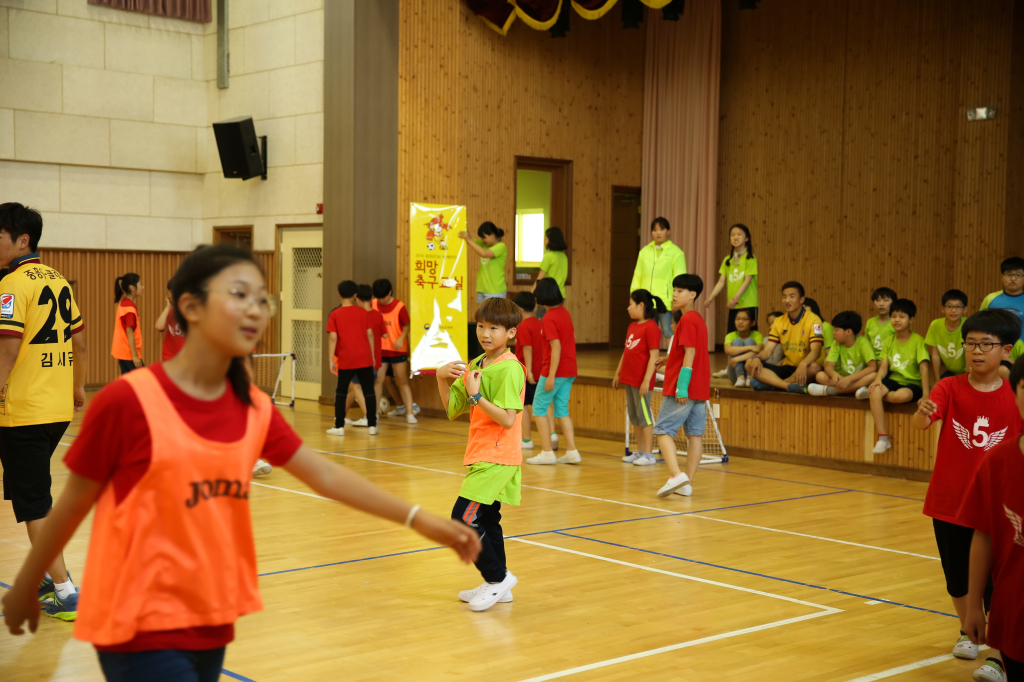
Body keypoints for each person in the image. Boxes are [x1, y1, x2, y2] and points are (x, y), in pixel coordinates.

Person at [1, 245, 481, 679]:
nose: (255, 310)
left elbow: (327, 475)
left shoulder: (251, 405)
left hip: (213, 617)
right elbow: (71, 504)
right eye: (239, 295)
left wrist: (421, 520)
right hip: (137, 619)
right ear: (188, 307)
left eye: (260, 300)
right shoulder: (128, 401)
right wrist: (28, 584)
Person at [911, 310, 1022, 682]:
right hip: (950, 500)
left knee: (999, 584)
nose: (977, 351)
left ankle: (998, 656)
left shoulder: (1016, 394)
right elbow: (924, 420)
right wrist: (922, 413)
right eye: (971, 343)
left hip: (998, 505)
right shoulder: (949, 386)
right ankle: (967, 629)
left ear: (1006, 350)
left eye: (986, 344)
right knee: (957, 578)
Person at [0, 202, 87, 622]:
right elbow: (79, 343)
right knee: (27, 491)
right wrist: (76, 386)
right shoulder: (58, 280)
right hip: (55, 409)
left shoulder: (12, 285)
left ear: (22, 240)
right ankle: (51, 577)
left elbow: (9, 347)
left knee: (34, 503)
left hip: (23, 410)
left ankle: (66, 592)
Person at [436, 297, 525, 612]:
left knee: (463, 519)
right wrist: (441, 377)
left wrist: (476, 396)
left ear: (510, 333)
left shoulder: (510, 369)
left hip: (498, 456)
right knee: (487, 518)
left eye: (494, 328)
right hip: (480, 453)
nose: (485, 333)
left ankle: (497, 577)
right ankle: (499, 586)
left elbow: (507, 418)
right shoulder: (476, 364)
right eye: (482, 326)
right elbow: (453, 409)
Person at [961, 355, 1024, 682]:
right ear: (1015, 393)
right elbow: (983, 535)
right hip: (1013, 613)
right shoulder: (997, 461)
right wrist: (974, 606)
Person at [652, 274, 710, 498]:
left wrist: (681, 387)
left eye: (680, 291)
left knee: (663, 430)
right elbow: (691, 352)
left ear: (693, 294)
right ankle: (687, 484)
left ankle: (676, 475)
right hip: (700, 387)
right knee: (695, 435)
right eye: (674, 289)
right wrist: (670, 359)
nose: (675, 294)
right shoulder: (698, 320)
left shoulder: (686, 320)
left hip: (684, 387)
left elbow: (691, 353)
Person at [525, 278, 581, 465]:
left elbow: (555, 348)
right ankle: (572, 451)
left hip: (554, 371)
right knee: (562, 410)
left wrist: (550, 375)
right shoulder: (564, 313)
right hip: (569, 370)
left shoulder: (549, 317)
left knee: (539, 409)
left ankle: (547, 452)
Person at [867, 298, 931, 455]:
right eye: (894, 316)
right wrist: (877, 380)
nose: (897, 320)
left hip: (912, 382)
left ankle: (873, 398)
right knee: (875, 390)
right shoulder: (889, 340)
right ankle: (883, 438)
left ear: (911, 319)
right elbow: (883, 367)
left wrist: (925, 394)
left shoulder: (918, 341)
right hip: (894, 379)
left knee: (901, 396)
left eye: (902, 316)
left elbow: (924, 369)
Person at [614, 289, 665, 464]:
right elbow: (626, 351)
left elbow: (654, 356)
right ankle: (640, 451)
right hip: (629, 379)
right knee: (634, 416)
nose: (628, 308)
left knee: (644, 417)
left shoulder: (652, 328)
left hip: (640, 381)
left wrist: (646, 379)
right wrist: (617, 372)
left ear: (641, 305)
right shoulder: (632, 327)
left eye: (631, 304)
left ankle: (649, 454)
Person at [745, 282, 824, 394]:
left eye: (792, 296)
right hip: (788, 367)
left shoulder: (815, 320)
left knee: (815, 367)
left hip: (806, 367)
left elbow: (816, 351)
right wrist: (757, 358)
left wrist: (803, 363)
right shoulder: (779, 321)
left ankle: (772, 384)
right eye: (784, 297)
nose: (787, 300)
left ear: (801, 300)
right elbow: (767, 351)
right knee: (749, 362)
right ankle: (786, 386)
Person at [326, 280, 377, 437]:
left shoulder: (335, 314)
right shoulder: (363, 312)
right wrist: (373, 356)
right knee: (369, 391)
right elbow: (370, 334)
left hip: (346, 359)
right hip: (365, 358)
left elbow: (333, 338)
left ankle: (339, 426)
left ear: (339, 294)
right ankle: (372, 425)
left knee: (341, 391)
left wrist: (330, 360)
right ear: (356, 295)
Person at [631, 217, 687, 339]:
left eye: (662, 229)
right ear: (651, 232)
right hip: (647, 302)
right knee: (648, 334)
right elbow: (637, 276)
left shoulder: (676, 253)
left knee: (668, 332)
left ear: (668, 231)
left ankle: (672, 358)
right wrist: (634, 298)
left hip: (666, 302)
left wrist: (677, 300)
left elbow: (680, 279)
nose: (658, 232)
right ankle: (651, 358)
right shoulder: (644, 252)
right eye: (655, 230)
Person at [372, 278, 418, 424]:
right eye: (378, 297)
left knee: (401, 380)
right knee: (378, 380)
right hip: (380, 349)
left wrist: (401, 338)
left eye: (383, 297)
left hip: (397, 350)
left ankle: (410, 413)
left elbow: (407, 324)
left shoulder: (399, 306)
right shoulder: (373, 303)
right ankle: (375, 414)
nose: (381, 300)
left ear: (390, 292)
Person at [344, 284, 386, 427]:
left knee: (356, 387)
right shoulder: (378, 315)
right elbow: (385, 334)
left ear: (357, 298)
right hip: (376, 360)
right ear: (372, 297)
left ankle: (370, 416)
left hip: (360, 359)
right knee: (359, 387)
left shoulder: (358, 316)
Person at [808, 311, 878, 397]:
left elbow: (873, 367)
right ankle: (855, 389)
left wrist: (849, 379)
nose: (833, 333)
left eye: (836, 330)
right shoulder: (836, 344)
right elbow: (829, 366)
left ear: (848, 332)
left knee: (874, 376)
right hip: (841, 380)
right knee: (820, 375)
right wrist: (834, 374)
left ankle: (831, 391)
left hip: (857, 379)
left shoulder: (863, 343)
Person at [706, 223, 758, 333]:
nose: (735, 237)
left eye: (739, 234)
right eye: (732, 235)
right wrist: (711, 297)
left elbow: (747, 281)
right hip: (734, 305)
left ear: (747, 238)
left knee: (748, 337)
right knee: (733, 337)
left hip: (748, 303)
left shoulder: (750, 258)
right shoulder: (727, 260)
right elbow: (721, 282)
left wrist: (735, 299)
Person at [512, 291, 543, 450]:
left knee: (522, 405)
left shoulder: (523, 326)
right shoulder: (540, 323)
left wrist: (528, 371)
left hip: (526, 373)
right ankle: (552, 436)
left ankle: (526, 440)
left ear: (519, 308)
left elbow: (527, 349)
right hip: (541, 372)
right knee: (543, 406)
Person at [459, 221, 507, 304]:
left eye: (484, 237)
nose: (482, 240)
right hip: (482, 289)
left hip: (495, 291)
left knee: (492, 317)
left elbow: (484, 253)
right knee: (482, 316)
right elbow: (468, 241)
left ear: (492, 235)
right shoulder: (484, 244)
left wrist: (469, 239)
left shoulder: (501, 246)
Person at [926, 289, 968, 382]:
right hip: (951, 372)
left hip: (971, 372)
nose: (953, 310)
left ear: (964, 309)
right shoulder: (935, 325)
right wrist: (937, 380)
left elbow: (971, 354)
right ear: (942, 309)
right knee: (936, 392)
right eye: (949, 306)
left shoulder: (969, 324)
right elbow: (935, 354)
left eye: (958, 307)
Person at [980, 256, 1024, 343]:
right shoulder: (990, 298)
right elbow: (981, 324)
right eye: (1009, 275)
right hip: (995, 349)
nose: (1013, 278)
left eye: (1018, 275)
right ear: (1002, 277)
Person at [112, 273, 144, 375]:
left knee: (128, 382)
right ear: (132, 288)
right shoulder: (129, 308)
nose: (143, 287)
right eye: (141, 284)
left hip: (123, 352)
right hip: (129, 354)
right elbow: (129, 331)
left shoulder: (124, 303)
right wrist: (135, 356)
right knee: (144, 380)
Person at [723, 309, 763, 387]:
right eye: (738, 319)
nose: (740, 322)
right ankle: (740, 377)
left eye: (744, 319)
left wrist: (737, 359)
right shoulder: (730, 335)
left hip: (752, 373)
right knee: (737, 341)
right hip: (734, 374)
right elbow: (728, 350)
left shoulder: (757, 335)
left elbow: (759, 349)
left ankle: (749, 377)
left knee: (749, 340)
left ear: (752, 323)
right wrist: (750, 347)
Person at [534, 227, 569, 301]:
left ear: (551, 241)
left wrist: (531, 293)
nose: (544, 241)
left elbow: (540, 278)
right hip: (561, 294)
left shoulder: (548, 257)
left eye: (545, 239)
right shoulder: (564, 256)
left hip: (548, 295)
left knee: (543, 313)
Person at [155, 280, 185, 363]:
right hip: (170, 358)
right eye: (169, 292)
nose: (170, 294)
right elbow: (159, 326)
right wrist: (168, 307)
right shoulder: (170, 312)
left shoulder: (190, 312)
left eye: (173, 291)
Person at [865, 287, 898, 354]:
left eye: (885, 300)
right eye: (877, 300)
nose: (881, 304)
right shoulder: (870, 322)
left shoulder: (896, 323)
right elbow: (866, 345)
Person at [804, 298, 833, 367]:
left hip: (819, 366)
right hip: (803, 363)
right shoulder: (800, 328)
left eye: (804, 307)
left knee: (813, 366)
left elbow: (829, 352)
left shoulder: (825, 326)